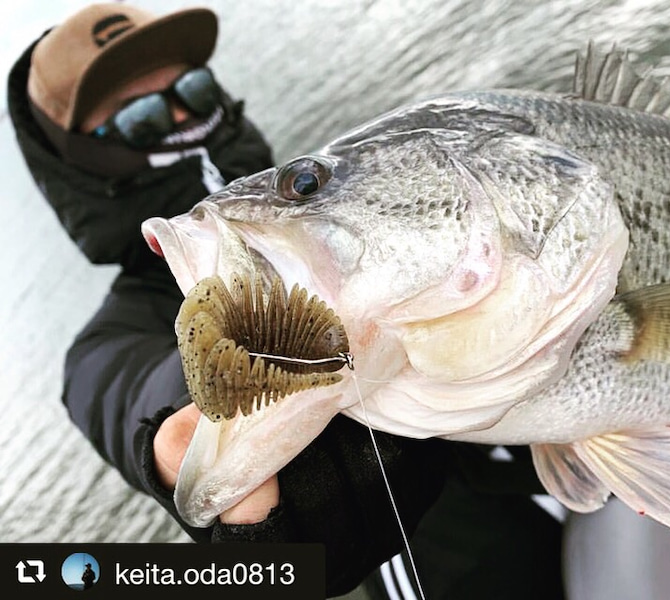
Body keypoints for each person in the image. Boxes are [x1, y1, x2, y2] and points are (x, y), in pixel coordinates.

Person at [7, 4, 452, 596]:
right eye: (140, 117)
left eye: (193, 85)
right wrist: (189, 428)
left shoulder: (331, 187)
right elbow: (134, 396)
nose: (186, 113)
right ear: (85, 163)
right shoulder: (101, 350)